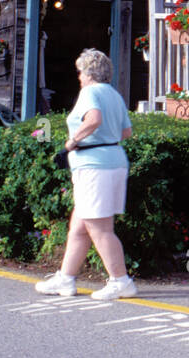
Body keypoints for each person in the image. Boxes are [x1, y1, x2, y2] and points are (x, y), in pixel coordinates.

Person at [36, 48, 136, 301]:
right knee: (79, 226)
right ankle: (66, 279)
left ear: (89, 72)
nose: (79, 77)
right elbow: (126, 132)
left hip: (94, 166)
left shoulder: (90, 92)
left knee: (100, 228)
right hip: (113, 160)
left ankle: (121, 280)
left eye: (80, 72)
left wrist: (72, 141)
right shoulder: (113, 94)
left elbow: (93, 119)